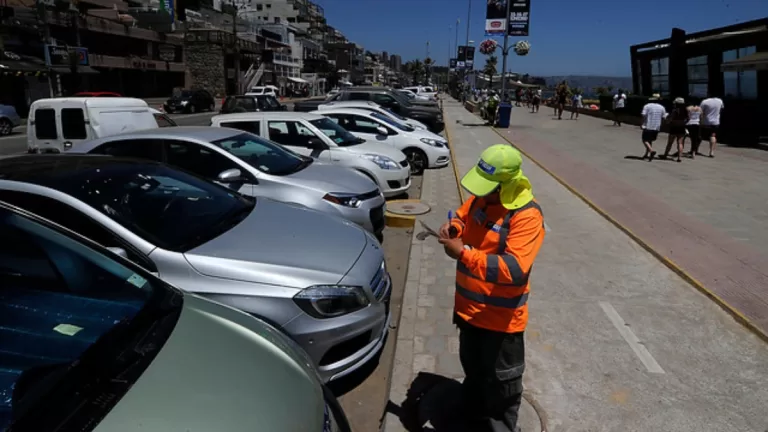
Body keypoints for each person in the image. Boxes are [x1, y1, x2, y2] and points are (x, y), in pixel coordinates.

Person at [438, 144, 546, 432]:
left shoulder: (526, 216)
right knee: (473, 374)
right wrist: (453, 228)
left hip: (501, 323)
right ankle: (472, 420)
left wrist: (462, 254)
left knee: (502, 386)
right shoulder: (482, 198)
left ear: (506, 185)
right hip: (469, 313)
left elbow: (514, 269)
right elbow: (461, 217)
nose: (481, 191)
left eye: (488, 187)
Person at [640, 93, 667, 161]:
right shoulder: (662, 107)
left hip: (648, 125)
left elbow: (643, 115)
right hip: (656, 126)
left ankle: (651, 151)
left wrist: (642, 123)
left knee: (645, 140)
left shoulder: (647, 106)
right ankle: (647, 154)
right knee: (650, 141)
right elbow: (664, 117)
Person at [662, 97, 688, 162]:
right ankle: (679, 157)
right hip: (682, 127)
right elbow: (687, 119)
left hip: (674, 127)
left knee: (670, 142)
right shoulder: (686, 110)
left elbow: (671, 118)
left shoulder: (675, 110)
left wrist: (667, 121)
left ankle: (665, 154)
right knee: (680, 143)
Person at [700, 93, 724, 158]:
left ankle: (695, 149)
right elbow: (721, 110)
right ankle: (711, 152)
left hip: (706, 122)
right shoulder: (720, 101)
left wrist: (700, 121)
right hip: (715, 122)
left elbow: (701, 112)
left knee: (700, 135)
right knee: (712, 136)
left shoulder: (704, 101)